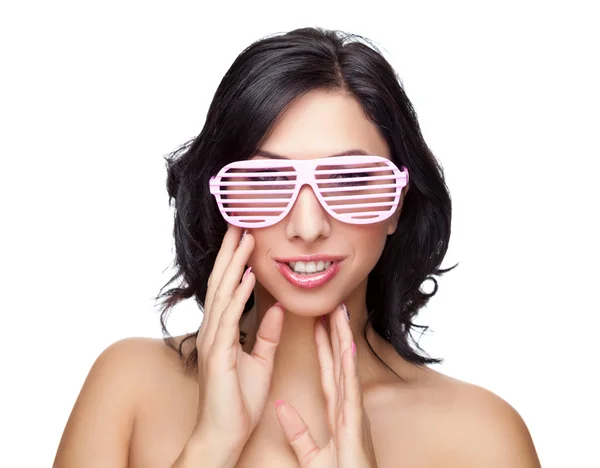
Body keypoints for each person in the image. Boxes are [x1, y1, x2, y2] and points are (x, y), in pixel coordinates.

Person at [53, 27, 541, 467]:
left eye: (349, 179)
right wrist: (211, 446)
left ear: (396, 204)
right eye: (266, 179)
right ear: (223, 201)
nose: (308, 226)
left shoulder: (483, 438)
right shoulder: (129, 387)